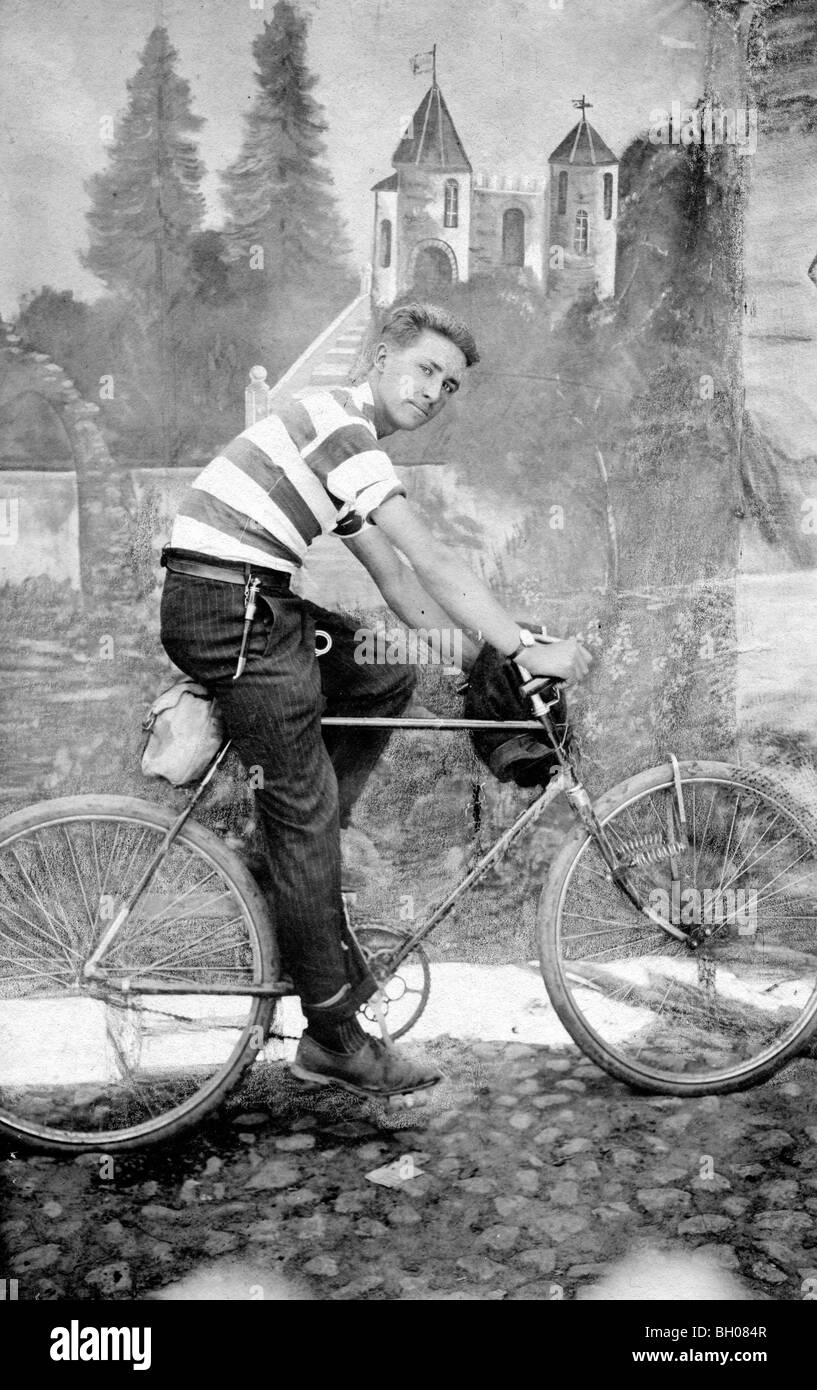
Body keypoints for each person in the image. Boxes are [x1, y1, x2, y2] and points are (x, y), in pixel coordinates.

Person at [159, 301, 592, 1098]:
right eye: (424, 369)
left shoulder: (343, 441)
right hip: (234, 609)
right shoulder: (339, 426)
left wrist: (480, 657)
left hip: (255, 603)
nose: (434, 392)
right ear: (381, 354)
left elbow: (396, 583)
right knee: (303, 820)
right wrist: (523, 647)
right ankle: (331, 1039)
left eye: (450, 385)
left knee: (381, 672)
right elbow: (427, 556)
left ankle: (305, 842)